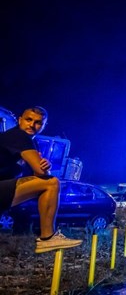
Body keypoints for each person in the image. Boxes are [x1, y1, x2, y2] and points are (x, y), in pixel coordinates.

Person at [0, 106, 82, 253]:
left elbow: (39, 175)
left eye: (38, 122)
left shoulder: (32, 142)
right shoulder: (19, 136)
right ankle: (48, 237)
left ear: (44, 126)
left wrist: (44, 167)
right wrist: (43, 168)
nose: (32, 125)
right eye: (28, 120)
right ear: (20, 120)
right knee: (52, 183)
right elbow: (43, 175)